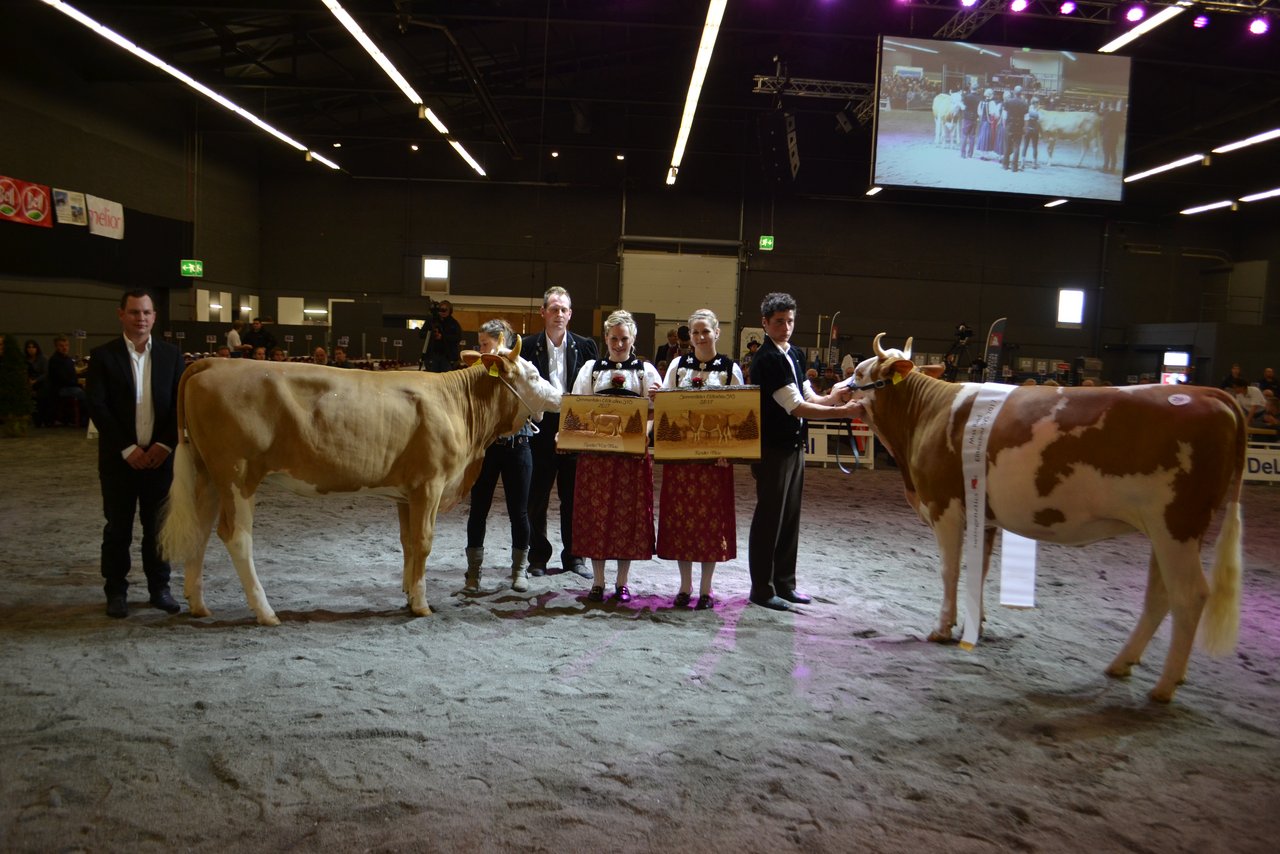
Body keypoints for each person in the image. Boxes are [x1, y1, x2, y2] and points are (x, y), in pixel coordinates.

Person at [748, 292, 863, 611]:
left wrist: (835, 397)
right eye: (779, 322)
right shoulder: (766, 359)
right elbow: (796, 407)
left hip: (793, 447)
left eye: (790, 321)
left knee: (789, 519)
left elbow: (808, 395)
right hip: (772, 449)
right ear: (765, 324)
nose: (785, 327)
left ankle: (785, 583)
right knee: (770, 518)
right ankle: (761, 588)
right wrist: (844, 411)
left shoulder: (794, 354)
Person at [85, 289, 185, 619]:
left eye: (145, 312)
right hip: (119, 461)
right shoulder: (103, 356)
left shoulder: (172, 356)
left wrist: (164, 445)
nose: (140, 318)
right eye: (133, 312)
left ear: (154, 316)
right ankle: (116, 591)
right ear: (121, 315)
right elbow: (97, 406)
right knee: (118, 529)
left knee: (157, 528)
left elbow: (179, 407)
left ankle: (160, 589)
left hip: (160, 460)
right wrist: (127, 449)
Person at [570, 309, 663, 602]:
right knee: (597, 516)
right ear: (606, 338)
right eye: (614, 338)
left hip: (631, 457)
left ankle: (622, 583)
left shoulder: (646, 372)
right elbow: (578, 408)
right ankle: (598, 582)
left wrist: (641, 435)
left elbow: (656, 414)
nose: (619, 344)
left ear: (633, 338)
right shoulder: (591, 370)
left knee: (628, 518)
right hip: (596, 457)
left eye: (624, 338)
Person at [656, 308, 744, 610]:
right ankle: (685, 586)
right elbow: (666, 402)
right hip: (682, 459)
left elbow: (739, 413)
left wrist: (727, 452)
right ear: (689, 336)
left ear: (717, 333)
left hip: (713, 462)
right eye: (696, 332)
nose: (701, 337)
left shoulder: (731, 369)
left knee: (709, 524)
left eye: (706, 331)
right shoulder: (678, 366)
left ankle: (706, 589)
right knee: (682, 521)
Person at [522, 286, 599, 578]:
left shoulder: (586, 346)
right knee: (536, 497)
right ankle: (538, 557)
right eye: (553, 308)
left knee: (574, 498)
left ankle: (575, 557)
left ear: (570, 314)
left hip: (575, 427)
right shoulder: (527, 346)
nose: (558, 314)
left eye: (563, 309)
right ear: (543, 312)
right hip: (539, 429)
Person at [464, 319, 536, 593]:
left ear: (501, 340)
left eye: (485, 343)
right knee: (478, 510)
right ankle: (472, 574)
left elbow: (536, 397)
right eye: (480, 343)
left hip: (519, 444)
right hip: (488, 446)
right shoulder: (477, 370)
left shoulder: (522, 367)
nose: (480, 348)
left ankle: (520, 570)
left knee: (519, 511)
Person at [47, 334, 88, 425]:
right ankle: (83, 420)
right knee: (82, 393)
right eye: (61, 346)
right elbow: (64, 379)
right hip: (60, 388)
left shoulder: (67, 359)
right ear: (56, 347)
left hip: (69, 385)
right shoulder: (55, 360)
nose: (64, 348)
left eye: (66, 345)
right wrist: (79, 384)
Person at [419, 300, 462, 372]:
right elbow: (421, 334)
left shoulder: (453, 323)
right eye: (440, 310)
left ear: (450, 311)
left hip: (447, 356)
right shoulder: (431, 321)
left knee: (447, 379)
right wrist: (432, 334)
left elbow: (458, 338)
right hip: (432, 355)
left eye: (444, 310)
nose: (442, 312)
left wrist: (442, 337)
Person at [1001, 85, 1028, 172]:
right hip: (1019, 127)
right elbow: (1026, 118)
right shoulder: (1024, 104)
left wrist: (1005, 126)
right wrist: (1025, 127)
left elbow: (1004, 116)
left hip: (1009, 125)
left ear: (1014, 92)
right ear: (1021, 93)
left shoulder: (1008, 102)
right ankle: (1014, 166)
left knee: (1007, 145)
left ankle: (1005, 164)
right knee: (1017, 146)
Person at [24, 339, 49, 426]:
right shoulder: (24, 360)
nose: (31, 349)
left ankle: (41, 418)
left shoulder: (43, 359)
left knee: (42, 393)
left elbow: (46, 373)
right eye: (29, 347)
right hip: (28, 382)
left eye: (33, 347)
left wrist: (35, 381)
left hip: (41, 382)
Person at [1101, 102, 1124, 174]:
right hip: (1115, 136)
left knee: (1106, 152)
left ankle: (1105, 167)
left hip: (1107, 135)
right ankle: (1113, 168)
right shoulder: (1119, 115)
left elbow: (1103, 124)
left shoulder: (1108, 114)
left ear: (1110, 106)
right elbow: (1121, 127)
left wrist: (1102, 132)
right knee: (1113, 152)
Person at [960, 81, 981, 159]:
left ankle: (963, 153)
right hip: (975, 118)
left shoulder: (966, 96)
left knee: (964, 135)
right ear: (977, 89)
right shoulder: (979, 98)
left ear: (971, 88)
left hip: (966, 118)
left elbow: (963, 107)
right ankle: (970, 154)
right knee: (972, 136)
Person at [1021, 96, 1041, 168]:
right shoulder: (1039, 111)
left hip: (1028, 129)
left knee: (1025, 146)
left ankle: (1022, 162)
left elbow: (1025, 119)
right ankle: (1034, 163)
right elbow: (1039, 121)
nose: (1038, 104)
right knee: (1035, 147)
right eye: (1038, 103)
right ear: (1036, 103)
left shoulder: (1028, 109)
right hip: (1035, 130)